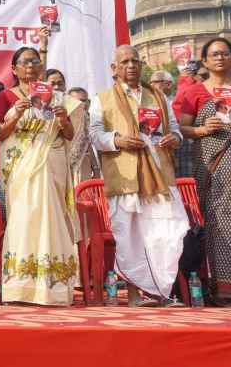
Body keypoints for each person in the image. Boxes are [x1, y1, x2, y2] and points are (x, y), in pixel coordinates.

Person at [89, 45, 189, 306]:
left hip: (159, 175)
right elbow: (95, 134)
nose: (131, 65)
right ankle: (135, 295)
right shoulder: (102, 98)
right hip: (124, 176)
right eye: (125, 62)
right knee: (130, 237)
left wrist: (173, 138)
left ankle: (161, 292)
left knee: (164, 232)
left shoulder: (158, 97)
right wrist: (118, 140)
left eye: (135, 61)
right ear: (115, 69)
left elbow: (176, 130)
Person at [0, 46, 88, 305]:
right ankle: (20, 285)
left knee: (50, 218)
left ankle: (52, 286)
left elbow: (68, 135)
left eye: (35, 61)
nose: (31, 66)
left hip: (50, 165)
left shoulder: (57, 98)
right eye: (25, 62)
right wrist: (17, 115)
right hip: (19, 167)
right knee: (24, 219)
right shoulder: (6, 98)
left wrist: (64, 119)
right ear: (14, 69)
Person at [178, 38, 231, 306]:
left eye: (225, 54)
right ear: (204, 61)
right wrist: (203, 129)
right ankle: (224, 292)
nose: (220, 58)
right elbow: (180, 129)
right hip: (213, 169)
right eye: (214, 54)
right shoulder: (193, 93)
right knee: (220, 224)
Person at [68, 87, 101, 182]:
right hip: (64, 168)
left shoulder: (90, 119)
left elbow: (88, 144)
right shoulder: (63, 119)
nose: (81, 104)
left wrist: (95, 168)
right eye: (77, 101)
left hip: (84, 167)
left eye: (84, 101)